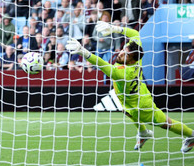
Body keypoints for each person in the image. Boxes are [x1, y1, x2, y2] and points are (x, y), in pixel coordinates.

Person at [66, 22, 194, 153]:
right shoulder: (133, 52)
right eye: (123, 50)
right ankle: (143, 133)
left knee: (166, 123)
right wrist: (114, 28)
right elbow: (135, 34)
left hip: (142, 105)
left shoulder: (123, 73)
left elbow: (102, 63)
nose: (121, 53)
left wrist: (83, 51)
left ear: (132, 60)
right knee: (126, 110)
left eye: (125, 54)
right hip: (133, 94)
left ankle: (191, 135)